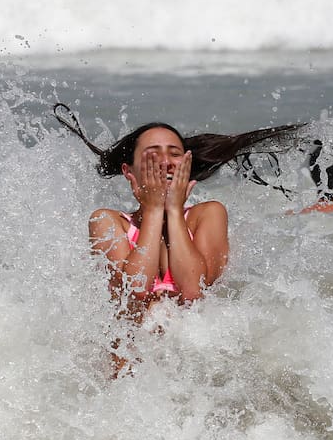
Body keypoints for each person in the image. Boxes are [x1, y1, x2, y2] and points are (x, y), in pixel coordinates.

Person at [56, 104, 303, 314]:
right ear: (128, 171)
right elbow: (135, 290)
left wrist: (174, 211)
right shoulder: (108, 221)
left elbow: (193, 290)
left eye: (174, 154)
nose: (166, 162)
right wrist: (153, 211)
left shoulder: (208, 214)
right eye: (153, 154)